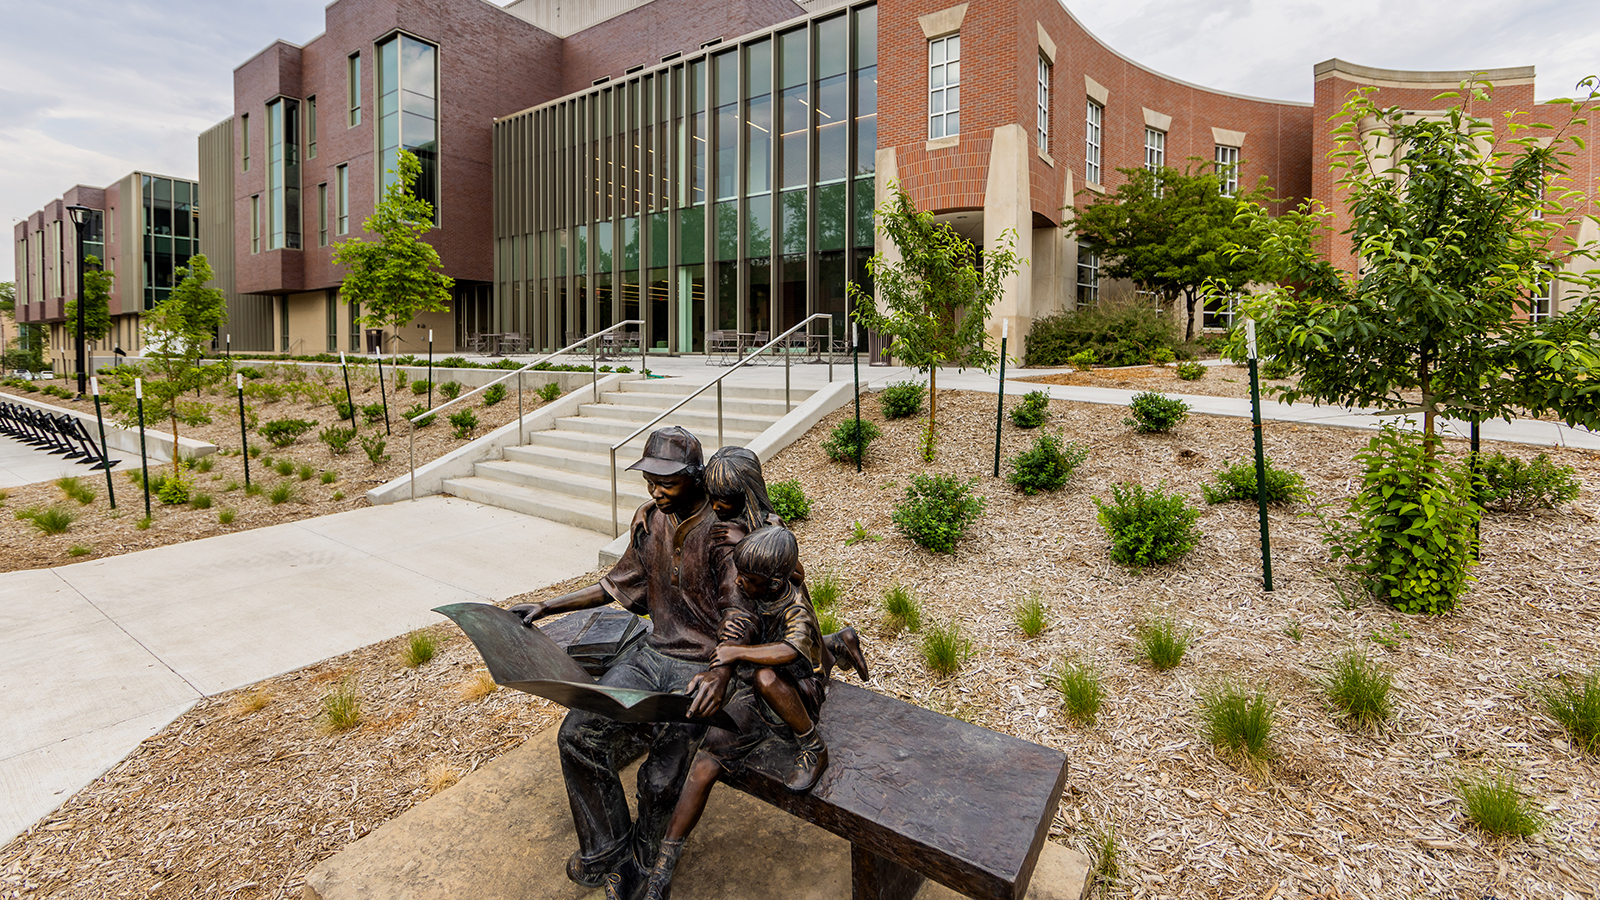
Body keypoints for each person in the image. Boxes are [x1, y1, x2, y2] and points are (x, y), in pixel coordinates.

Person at [511, 426, 757, 900]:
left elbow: (739, 615)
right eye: (650, 481)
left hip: (700, 670)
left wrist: (721, 672)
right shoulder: (650, 522)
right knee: (577, 735)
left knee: (661, 780)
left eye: (667, 482)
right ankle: (609, 852)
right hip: (651, 654)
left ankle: (648, 869)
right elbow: (614, 585)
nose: (655, 490)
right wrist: (548, 605)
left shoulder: (726, 532)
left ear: (695, 477)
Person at [640, 526, 827, 900]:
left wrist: (738, 654)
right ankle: (663, 867)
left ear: (774, 584)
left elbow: (789, 651)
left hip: (796, 693)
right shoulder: (751, 587)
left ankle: (813, 746)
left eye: (749, 578)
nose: (739, 581)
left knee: (766, 676)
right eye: (739, 573)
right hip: (752, 695)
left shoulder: (795, 607)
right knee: (706, 763)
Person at [702, 446, 870, 682]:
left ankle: (826, 657)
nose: (714, 507)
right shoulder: (725, 514)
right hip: (767, 603)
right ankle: (838, 641)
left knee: (797, 648)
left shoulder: (769, 524)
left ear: (747, 494)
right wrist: (646, 510)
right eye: (711, 498)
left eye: (723, 501)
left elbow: (798, 575)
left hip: (781, 599)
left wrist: (744, 539)